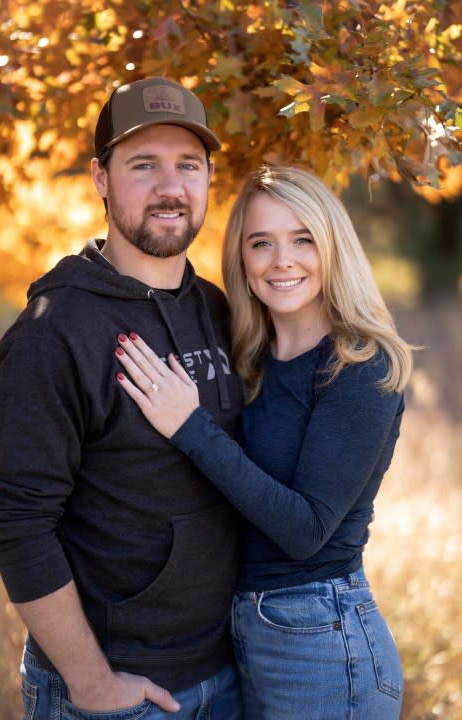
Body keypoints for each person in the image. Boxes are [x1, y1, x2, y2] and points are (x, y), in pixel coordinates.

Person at [0, 77, 244, 720]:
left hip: (227, 670)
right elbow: (15, 521)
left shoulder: (217, 308)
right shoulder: (55, 329)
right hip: (118, 690)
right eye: (142, 165)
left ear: (209, 177)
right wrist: (93, 684)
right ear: (100, 178)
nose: (169, 187)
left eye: (188, 165)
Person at [112, 165, 413, 720]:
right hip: (244, 635)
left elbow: (305, 530)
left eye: (303, 240)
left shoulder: (361, 367)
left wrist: (190, 427)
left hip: (323, 643)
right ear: (242, 260)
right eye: (261, 243)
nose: (282, 261)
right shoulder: (248, 361)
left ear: (332, 246)